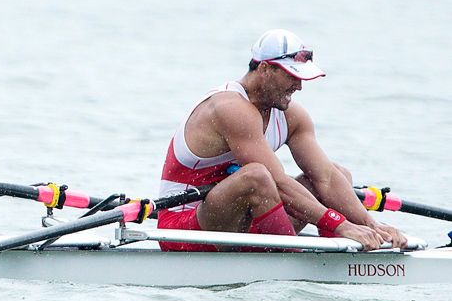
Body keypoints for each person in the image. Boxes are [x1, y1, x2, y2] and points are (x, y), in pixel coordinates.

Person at [156, 29, 407, 252]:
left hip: (242, 221)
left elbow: (327, 178)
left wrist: (371, 224)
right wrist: (341, 224)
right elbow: (278, 183)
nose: (298, 86)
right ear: (265, 69)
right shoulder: (229, 107)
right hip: (184, 226)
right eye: (291, 76)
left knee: (337, 174)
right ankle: (289, 261)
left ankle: (348, 250)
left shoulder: (292, 117)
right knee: (257, 176)